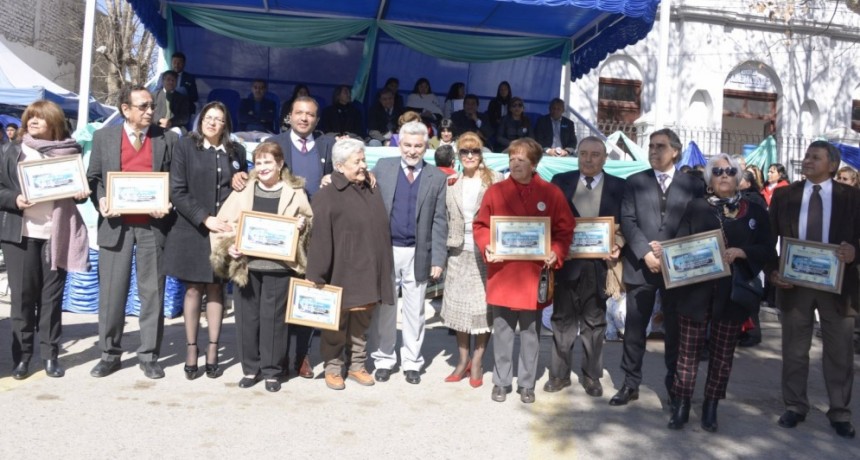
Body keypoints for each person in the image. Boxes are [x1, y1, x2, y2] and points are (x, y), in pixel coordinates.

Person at [657, 153, 775, 432]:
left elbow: (768, 248)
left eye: (730, 171)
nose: (724, 175)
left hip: (733, 295)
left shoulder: (755, 210)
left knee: (722, 355)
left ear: (739, 177)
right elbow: (680, 245)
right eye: (718, 171)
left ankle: (711, 407)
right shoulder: (696, 207)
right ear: (710, 179)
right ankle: (682, 405)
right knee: (687, 354)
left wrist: (743, 251)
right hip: (696, 293)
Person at [234, 95, 334, 378]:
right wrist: (238, 176)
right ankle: (269, 360)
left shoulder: (327, 145)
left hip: (313, 234)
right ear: (290, 116)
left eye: (310, 114)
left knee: (305, 296)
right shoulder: (275, 142)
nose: (304, 118)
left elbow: (345, 173)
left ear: (316, 119)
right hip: (275, 240)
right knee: (273, 306)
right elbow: (258, 172)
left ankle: (301, 356)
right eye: (299, 113)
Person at [769, 141, 860, 439]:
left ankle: (840, 411)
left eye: (814, 157)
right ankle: (795, 406)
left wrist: (854, 252)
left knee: (840, 353)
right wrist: (773, 271)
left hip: (838, 288)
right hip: (795, 286)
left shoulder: (853, 198)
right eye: (806, 156)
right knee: (795, 350)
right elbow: (768, 241)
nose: (806, 161)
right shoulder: (784, 196)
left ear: (832, 165)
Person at [86, 86, 177, 379]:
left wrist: (168, 203)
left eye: (152, 106)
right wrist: (101, 199)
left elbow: (175, 181)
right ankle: (109, 354)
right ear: (125, 109)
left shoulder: (167, 139)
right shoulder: (104, 137)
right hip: (116, 226)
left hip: (153, 226)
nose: (150, 111)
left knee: (152, 293)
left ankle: (149, 355)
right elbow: (95, 177)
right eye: (143, 106)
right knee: (113, 293)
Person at [474, 138, 575, 404]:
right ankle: (501, 381)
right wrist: (486, 246)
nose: (515, 164)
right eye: (511, 159)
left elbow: (565, 230)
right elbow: (481, 225)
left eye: (521, 160)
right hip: (503, 273)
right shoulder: (495, 192)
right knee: (503, 330)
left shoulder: (551, 193)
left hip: (534, 275)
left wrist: (556, 251)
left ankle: (527, 383)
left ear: (534, 164)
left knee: (531, 333)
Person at [610, 128, 704, 406]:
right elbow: (627, 219)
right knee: (635, 328)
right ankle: (629, 384)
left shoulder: (693, 185)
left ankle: (674, 387)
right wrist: (645, 253)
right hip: (642, 265)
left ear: (675, 151)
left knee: (674, 330)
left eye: (660, 146)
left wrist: (672, 253)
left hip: (677, 267)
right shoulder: (635, 181)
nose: (653, 151)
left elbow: (697, 223)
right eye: (651, 146)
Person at [210, 141, 312, 393]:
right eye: (258, 163)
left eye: (268, 162)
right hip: (247, 266)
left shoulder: (295, 191)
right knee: (248, 320)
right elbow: (223, 223)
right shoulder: (244, 190)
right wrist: (228, 247)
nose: (263, 167)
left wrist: (303, 226)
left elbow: (309, 220)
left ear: (279, 164)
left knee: (274, 321)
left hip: (280, 266)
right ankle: (250, 369)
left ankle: (272, 371)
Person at [0, 100, 90, 380]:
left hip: (57, 234)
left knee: (51, 299)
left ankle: (50, 355)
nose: (33, 122)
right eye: (30, 117)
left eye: (40, 117)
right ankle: (23, 357)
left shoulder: (69, 152)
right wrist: (14, 199)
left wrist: (81, 193)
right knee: (23, 299)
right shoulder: (11, 150)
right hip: (20, 234)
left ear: (54, 122)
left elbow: (80, 189)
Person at [165, 101, 247, 380]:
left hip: (223, 232)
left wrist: (241, 178)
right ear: (200, 120)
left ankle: (213, 349)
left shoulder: (237, 151)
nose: (212, 123)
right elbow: (177, 190)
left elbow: (242, 190)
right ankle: (191, 349)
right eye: (208, 118)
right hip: (192, 229)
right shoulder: (185, 146)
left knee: (216, 289)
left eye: (218, 119)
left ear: (225, 125)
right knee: (192, 290)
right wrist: (204, 218)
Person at [305, 138, 394, 390]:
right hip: (341, 271)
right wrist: (317, 273)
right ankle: (333, 367)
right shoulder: (327, 195)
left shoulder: (370, 188)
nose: (364, 166)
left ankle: (356, 365)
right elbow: (320, 239)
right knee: (336, 324)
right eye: (358, 161)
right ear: (340, 166)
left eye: (364, 160)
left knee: (361, 323)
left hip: (368, 268)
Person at [368, 121, 448, 385]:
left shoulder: (436, 177)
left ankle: (412, 362)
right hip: (387, 249)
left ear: (426, 147)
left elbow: (439, 220)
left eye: (418, 146)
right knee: (386, 308)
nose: (412, 151)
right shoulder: (383, 168)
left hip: (419, 252)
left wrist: (438, 258)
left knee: (415, 311)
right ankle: (384, 358)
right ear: (398, 144)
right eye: (407, 145)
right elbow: (356, 185)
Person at [545, 136, 625, 397]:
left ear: (604, 158)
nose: (588, 159)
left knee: (594, 323)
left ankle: (592, 376)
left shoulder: (619, 187)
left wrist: (619, 243)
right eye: (584, 154)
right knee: (562, 321)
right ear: (577, 155)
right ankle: (559, 375)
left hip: (599, 266)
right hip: (566, 263)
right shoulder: (560, 183)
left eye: (594, 155)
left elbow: (626, 225)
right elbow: (549, 221)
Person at [441, 132, 502, 387]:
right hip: (457, 251)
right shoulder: (451, 182)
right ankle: (462, 359)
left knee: (482, 310)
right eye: (464, 152)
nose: (469, 156)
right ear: (458, 155)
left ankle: (478, 360)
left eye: (474, 151)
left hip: (485, 253)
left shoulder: (496, 180)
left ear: (481, 154)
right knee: (458, 310)